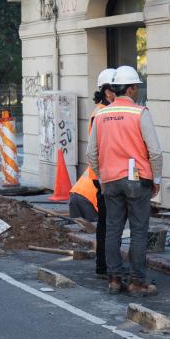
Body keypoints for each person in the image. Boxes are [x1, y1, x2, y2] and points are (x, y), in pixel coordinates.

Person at [87, 66, 162, 296]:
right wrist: (156, 178)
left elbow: (91, 153)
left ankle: (114, 280)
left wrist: (102, 177)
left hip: (110, 181)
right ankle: (137, 282)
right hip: (137, 180)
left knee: (113, 230)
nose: (137, 91)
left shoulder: (100, 115)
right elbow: (155, 152)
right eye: (136, 87)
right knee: (138, 231)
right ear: (129, 88)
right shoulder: (140, 113)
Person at [68, 68, 116, 278]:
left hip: (104, 175)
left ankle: (105, 265)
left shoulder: (102, 112)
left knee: (109, 223)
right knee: (108, 223)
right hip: (104, 177)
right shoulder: (101, 114)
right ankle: (104, 266)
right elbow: (99, 149)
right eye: (118, 89)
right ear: (107, 92)